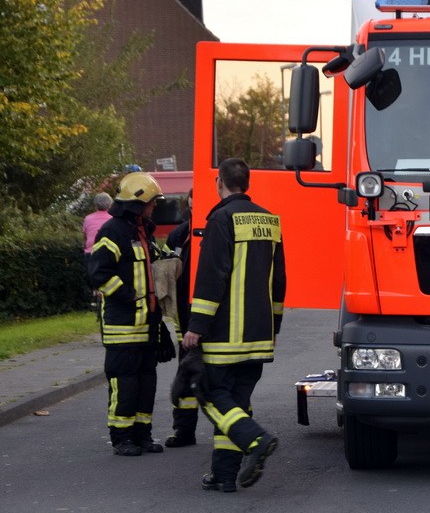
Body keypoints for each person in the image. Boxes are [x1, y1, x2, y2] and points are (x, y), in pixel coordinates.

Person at [183, 158, 286, 492]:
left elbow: (212, 277)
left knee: (212, 396)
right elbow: (279, 281)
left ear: (219, 183)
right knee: (236, 405)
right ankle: (224, 475)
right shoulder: (270, 221)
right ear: (247, 183)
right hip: (259, 336)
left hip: (226, 336)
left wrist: (196, 326)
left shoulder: (221, 219)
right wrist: (275, 324)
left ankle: (256, 440)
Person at [87, 172, 167, 456]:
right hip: (122, 326)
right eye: (152, 201)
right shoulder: (113, 232)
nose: (155, 206)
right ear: (138, 201)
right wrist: (128, 295)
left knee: (147, 383)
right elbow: (98, 274)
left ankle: (143, 435)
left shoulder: (143, 231)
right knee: (125, 383)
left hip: (147, 325)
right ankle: (122, 438)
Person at [164, 188, 198, 448]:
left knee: (222, 379)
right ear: (189, 201)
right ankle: (184, 431)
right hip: (184, 319)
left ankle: (234, 431)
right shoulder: (179, 234)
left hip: (213, 321)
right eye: (193, 197)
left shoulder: (218, 229)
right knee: (184, 379)